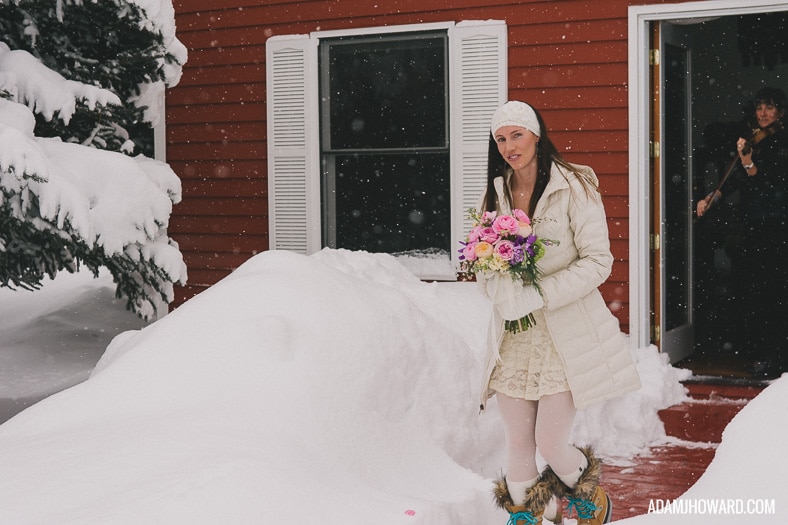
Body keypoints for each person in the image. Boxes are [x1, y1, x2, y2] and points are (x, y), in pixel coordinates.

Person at [476, 100, 641, 525]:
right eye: (501, 138)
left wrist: (540, 293)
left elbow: (598, 261)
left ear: (536, 135)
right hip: (515, 334)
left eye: (517, 135)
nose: (509, 146)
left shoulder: (575, 185)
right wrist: (501, 290)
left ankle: (589, 496)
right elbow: (483, 259)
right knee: (517, 442)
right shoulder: (496, 191)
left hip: (565, 332)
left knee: (549, 441)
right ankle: (532, 517)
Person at [696, 86, 788, 379]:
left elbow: (772, 183)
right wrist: (714, 196)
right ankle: (758, 351)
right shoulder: (754, 139)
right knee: (753, 290)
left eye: (769, 108)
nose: (763, 114)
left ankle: (778, 358)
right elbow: (738, 177)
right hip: (754, 227)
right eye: (759, 107)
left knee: (775, 293)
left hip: (776, 227)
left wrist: (748, 161)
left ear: (780, 112)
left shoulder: (782, 141)